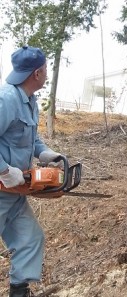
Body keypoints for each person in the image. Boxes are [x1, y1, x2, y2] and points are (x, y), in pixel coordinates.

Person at [0, 46, 61, 297]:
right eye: (46, 69)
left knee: (30, 238)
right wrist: (4, 170)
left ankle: (19, 291)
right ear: (36, 73)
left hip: (15, 192)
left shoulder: (30, 100)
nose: (47, 73)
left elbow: (31, 140)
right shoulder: (7, 99)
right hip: (2, 186)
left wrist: (46, 153)